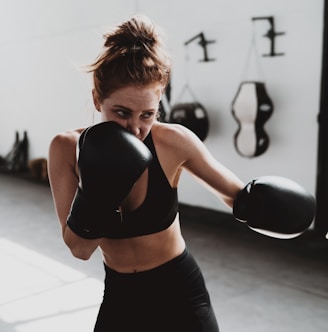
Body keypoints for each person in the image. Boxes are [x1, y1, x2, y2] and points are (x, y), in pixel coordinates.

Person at [48, 15, 314, 332]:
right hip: (121, 296)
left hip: (180, 292)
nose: (135, 129)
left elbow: (238, 196)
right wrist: (100, 186)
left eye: (147, 114)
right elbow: (79, 248)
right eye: (121, 113)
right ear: (97, 99)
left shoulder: (174, 141)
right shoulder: (66, 148)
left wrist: (273, 207)